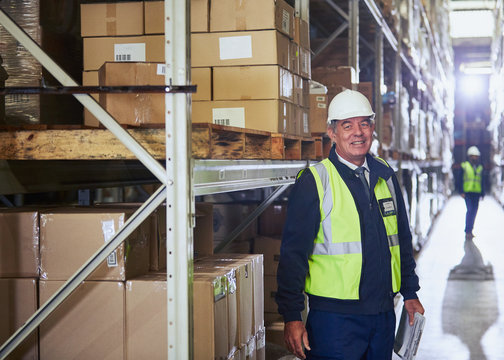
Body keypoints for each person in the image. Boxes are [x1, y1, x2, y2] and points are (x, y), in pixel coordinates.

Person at [275, 89, 424, 360]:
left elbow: (401, 238)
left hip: (382, 314)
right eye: (347, 125)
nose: (358, 132)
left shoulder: (385, 175)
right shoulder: (315, 181)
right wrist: (292, 316)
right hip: (334, 321)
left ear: (372, 129)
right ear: (332, 133)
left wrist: (410, 292)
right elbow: (292, 255)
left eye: (364, 123)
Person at [459, 146, 484, 240]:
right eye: (473, 156)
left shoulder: (480, 167)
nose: (475, 158)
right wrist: (461, 191)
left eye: (476, 156)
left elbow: (482, 181)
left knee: (474, 212)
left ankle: (470, 230)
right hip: (468, 192)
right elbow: (460, 179)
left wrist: (483, 193)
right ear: (469, 156)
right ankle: (467, 231)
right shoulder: (464, 166)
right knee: (470, 211)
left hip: (476, 193)